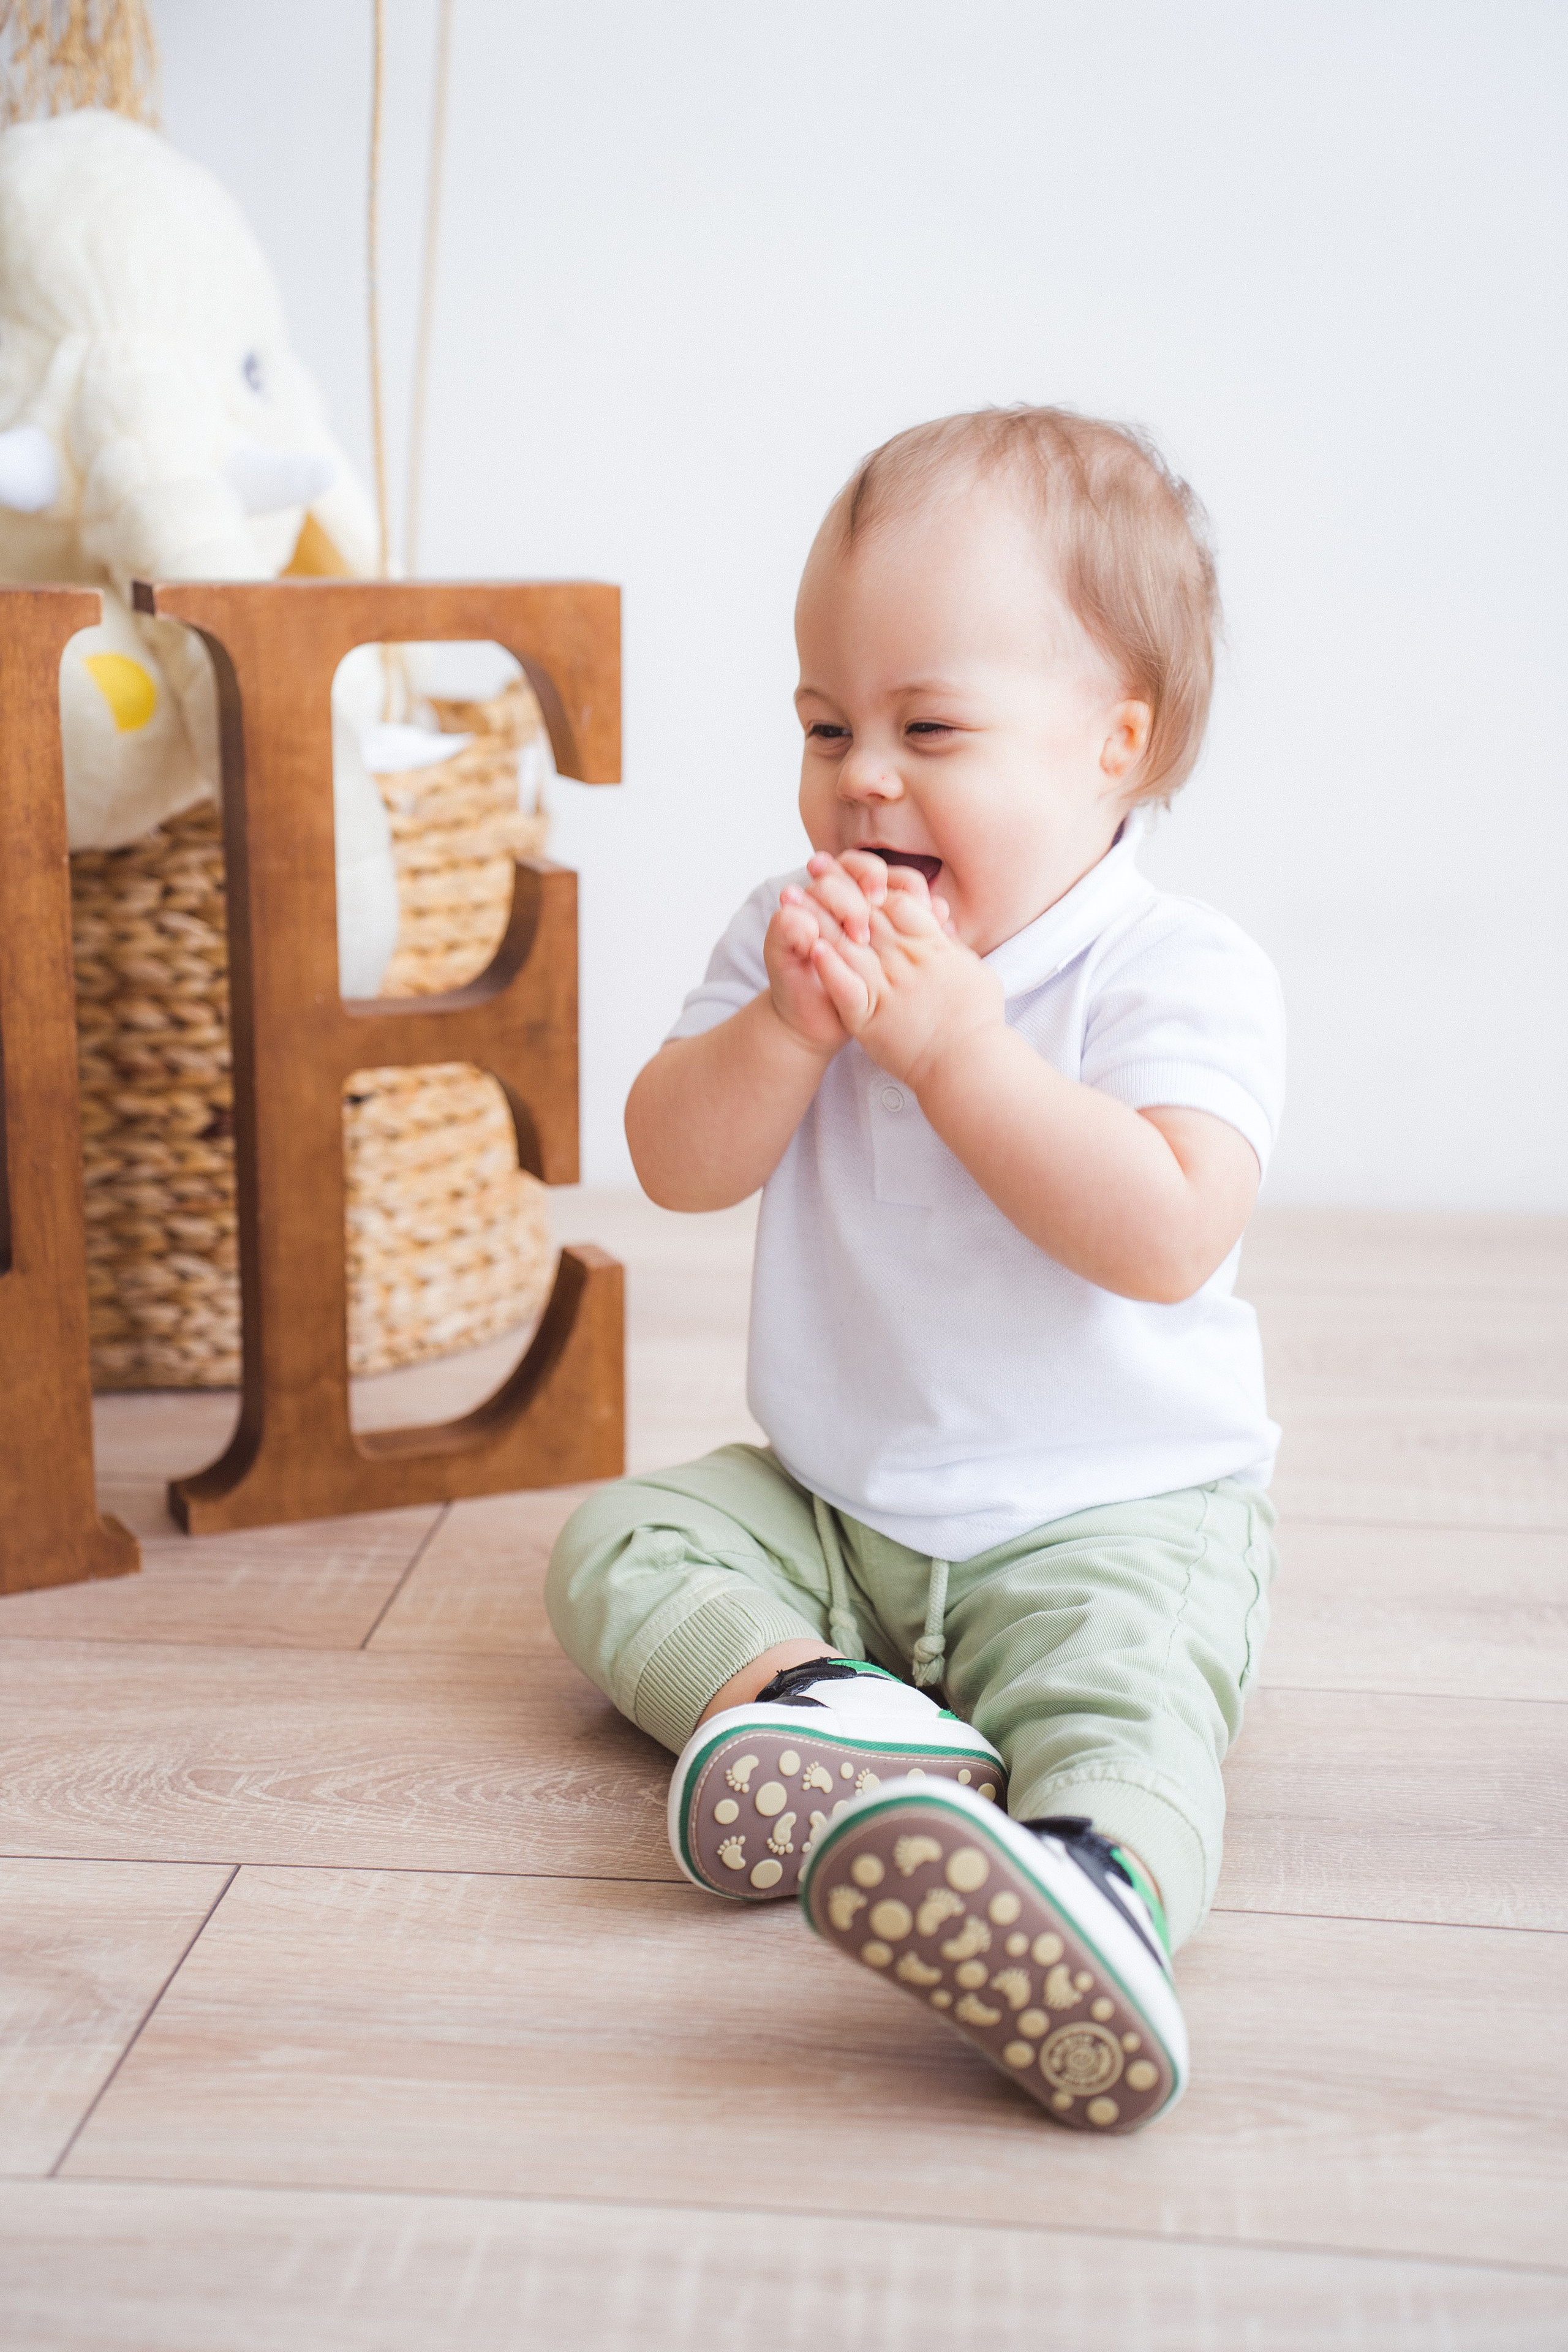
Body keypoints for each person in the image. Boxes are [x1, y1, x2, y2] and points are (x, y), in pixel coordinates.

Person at [546, 406, 1284, 2133]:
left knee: (1127, 1687)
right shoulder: (788, 939)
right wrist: (789, 1033)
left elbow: (1170, 1231)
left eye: (929, 728)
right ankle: (831, 1716)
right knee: (616, 1540)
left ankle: (1099, 1891)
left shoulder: (1179, 974)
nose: (862, 777)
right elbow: (676, 1158)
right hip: (842, 1511)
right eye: (826, 726)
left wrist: (963, 1054)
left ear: (1122, 741)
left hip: (1113, 1509)